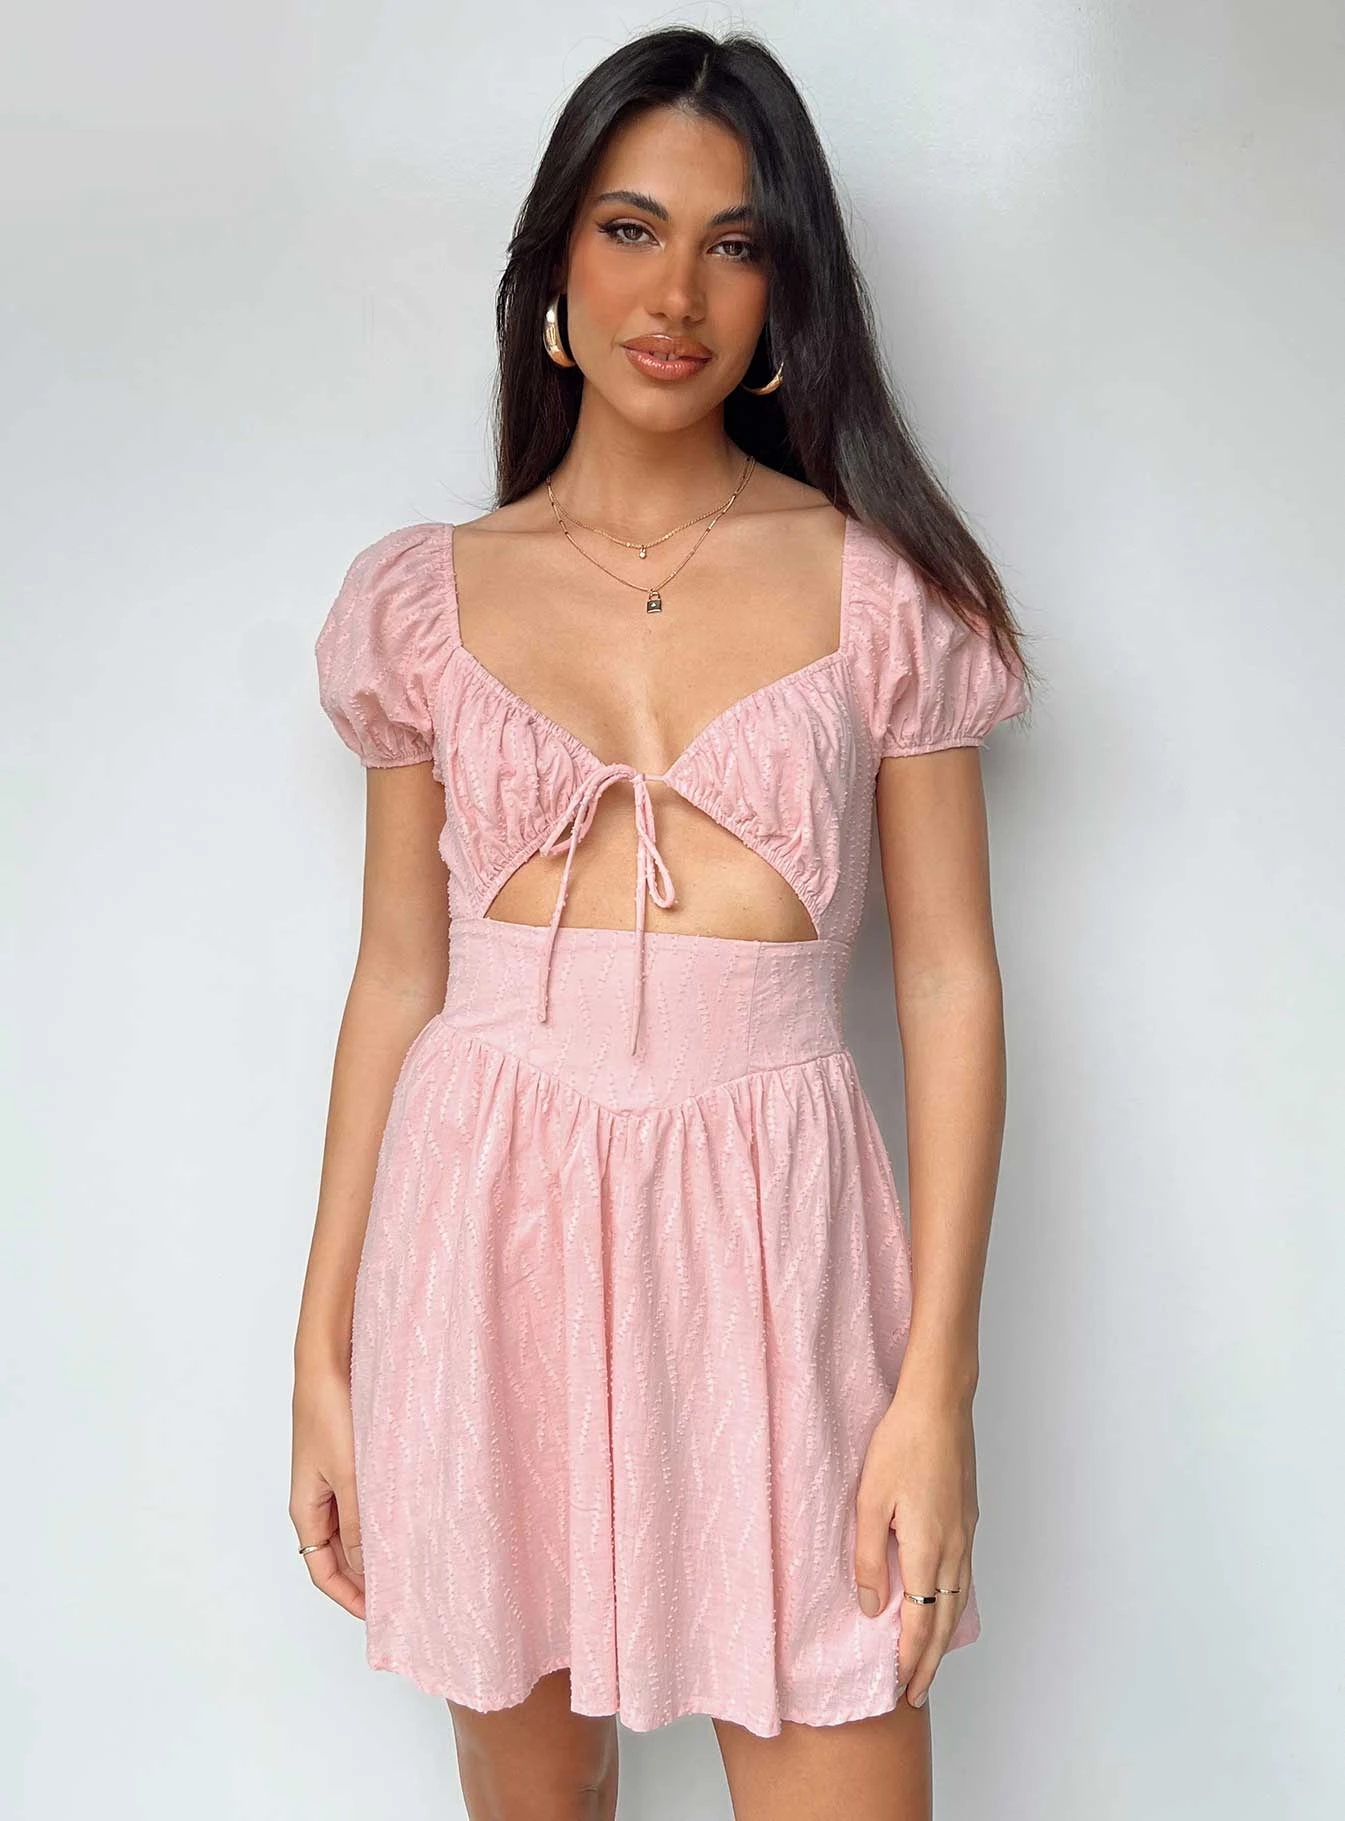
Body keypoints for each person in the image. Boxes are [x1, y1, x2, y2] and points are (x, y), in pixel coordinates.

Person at [291, 24, 1034, 1821]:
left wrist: (935, 1390)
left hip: (779, 1239)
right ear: (556, 264)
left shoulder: (883, 595)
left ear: (786, 292)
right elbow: (397, 978)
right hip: (487, 1233)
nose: (676, 294)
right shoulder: (424, 602)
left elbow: (948, 981)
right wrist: (320, 1351)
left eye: (733, 242)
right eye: (630, 230)